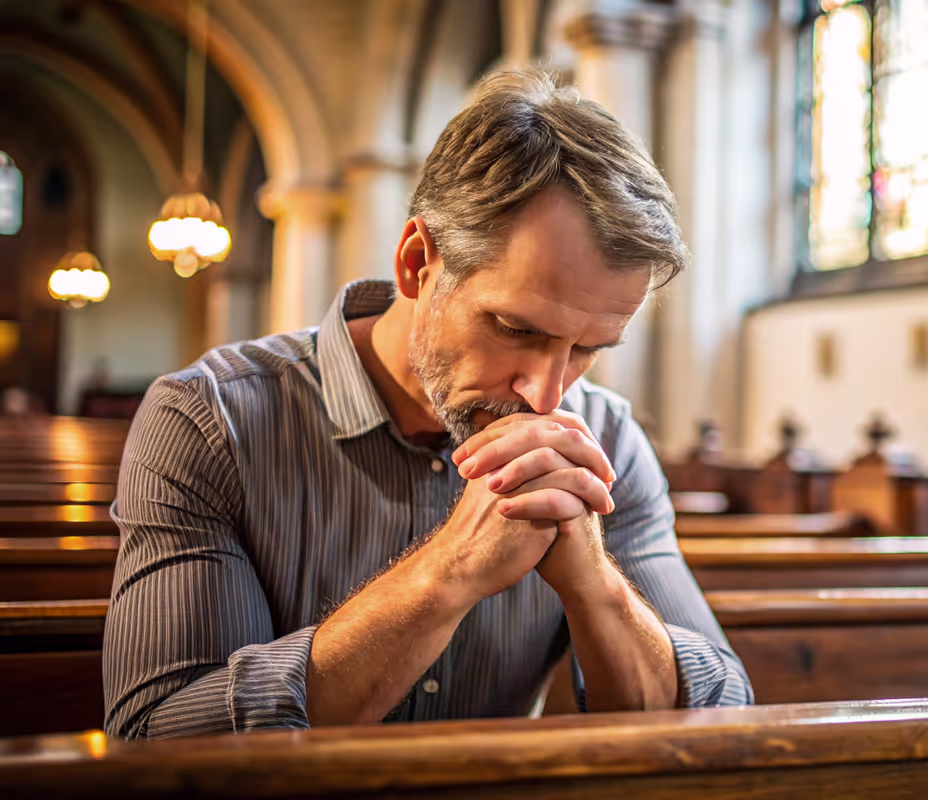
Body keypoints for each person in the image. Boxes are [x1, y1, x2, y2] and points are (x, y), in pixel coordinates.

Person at [103, 69, 752, 740]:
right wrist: (447, 573)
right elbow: (158, 738)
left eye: (589, 348)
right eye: (517, 329)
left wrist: (597, 587)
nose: (549, 393)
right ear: (417, 262)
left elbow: (725, 726)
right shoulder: (208, 420)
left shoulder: (606, 440)